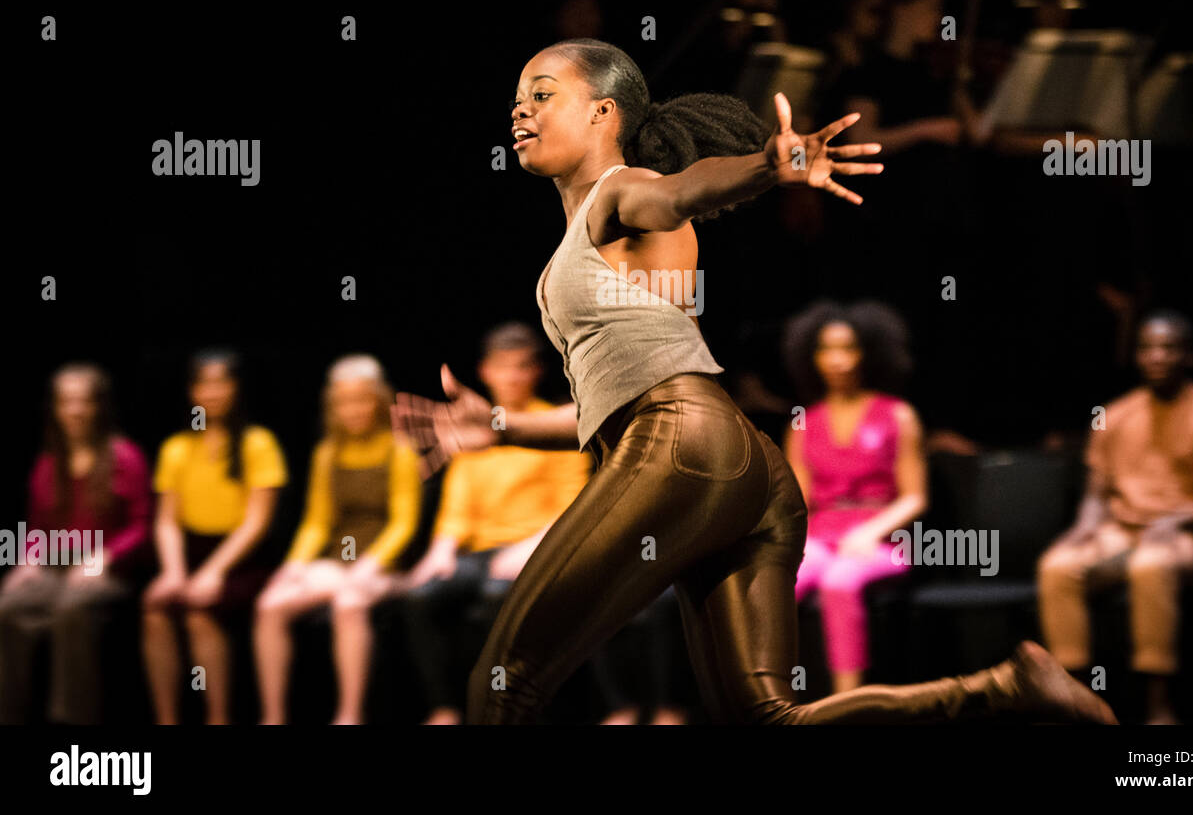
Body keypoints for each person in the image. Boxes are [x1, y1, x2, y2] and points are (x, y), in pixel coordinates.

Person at [392, 37, 1115, 725]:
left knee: (504, 676)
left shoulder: (624, 192)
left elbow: (681, 192)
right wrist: (498, 426)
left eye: (542, 94)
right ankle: (1004, 687)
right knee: (766, 717)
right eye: (517, 98)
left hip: (682, 445)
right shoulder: (592, 231)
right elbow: (602, 406)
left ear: (603, 113)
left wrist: (770, 165)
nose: (519, 110)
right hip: (733, 464)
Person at [1037, 311, 1193, 723]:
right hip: (1122, 527)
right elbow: (1096, 494)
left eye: (1168, 348)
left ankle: (1158, 706)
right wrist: (1084, 526)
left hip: (1187, 532)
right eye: (1147, 348)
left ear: (1190, 356)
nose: (1157, 357)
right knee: (1057, 566)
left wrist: (1181, 519)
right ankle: (1075, 699)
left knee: (1151, 565)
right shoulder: (1115, 414)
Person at [399, 323, 590, 724]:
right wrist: (441, 548)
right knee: (421, 595)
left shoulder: (553, 423)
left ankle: (500, 708)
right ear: (485, 371)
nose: (512, 376)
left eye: (522, 367)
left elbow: (574, 503)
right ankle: (445, 709)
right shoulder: (471, 428)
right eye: (503, 367)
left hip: (533, 549)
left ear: (536, 371)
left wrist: (533, 548)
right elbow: (458, 505)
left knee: (496, 594)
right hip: (481, 550)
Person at [254, 354, 420, 725]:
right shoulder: (327, 453)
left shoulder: (400, 451)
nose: (354, 410)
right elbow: (316, 521)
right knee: (270, 604)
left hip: (385, 565)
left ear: (378, 400)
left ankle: (349, 714)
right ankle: (273, 715)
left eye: (362, 400)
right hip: (337, 561)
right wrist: (294, 565)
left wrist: (370, 563)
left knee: (348, 603)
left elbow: (403, 523)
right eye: (345, 402)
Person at [781, 300, 925, 692]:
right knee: (778, 583)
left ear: (869, 353)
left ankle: (848, 704)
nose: (838, 360)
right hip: (822, 535)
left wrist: (870, 532)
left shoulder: (896, 415)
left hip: (882, 539)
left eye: (849, 348)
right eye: (827, 349)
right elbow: (797, 502)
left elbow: (914, 497)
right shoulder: (804, 424)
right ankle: (770, 699)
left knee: (840, 582)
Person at [0, 363, 152, 724]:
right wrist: (29, 560)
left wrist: (106, 557)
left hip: (109, 567)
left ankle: (71, 717)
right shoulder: (49, 463)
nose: (75, 411)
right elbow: (38, 528)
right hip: (59, 564)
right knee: (9, 606)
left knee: (73, 607)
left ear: (99, 406)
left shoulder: (125, 457)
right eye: (67, 402)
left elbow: (142, 527)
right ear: (56, 408)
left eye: (84, 402)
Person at [142, 349, 287, 724]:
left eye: (221, 381)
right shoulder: (177, 447)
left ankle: (217, 717)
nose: (212, 391)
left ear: (237, 388)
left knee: (199, 613)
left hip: (243, 556)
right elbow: (167, 521)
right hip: (192, 550)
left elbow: (257, 522)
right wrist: (174, 572)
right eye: (203, 383)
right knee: (155, 608)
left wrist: (214, 572)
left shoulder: (259, 443)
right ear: (191, 392)